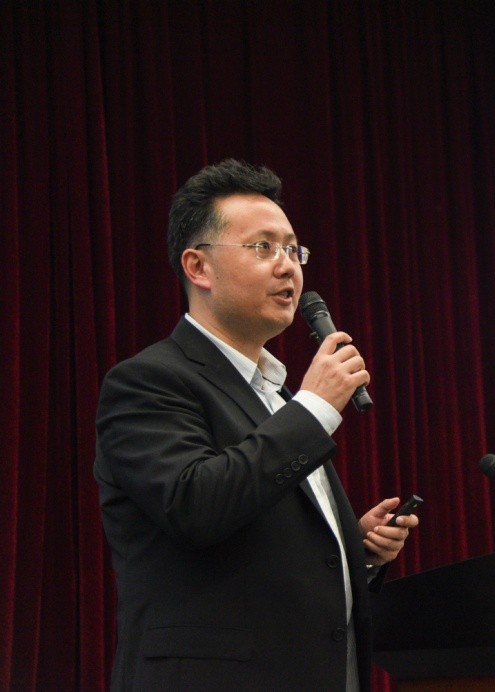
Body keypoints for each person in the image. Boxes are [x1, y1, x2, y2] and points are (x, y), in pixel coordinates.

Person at [94, 159, 417, 691]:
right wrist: (315, 407)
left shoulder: (275, 394)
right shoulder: (148, 381)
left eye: (293, 250)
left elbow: (260, 532)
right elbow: (194, 505)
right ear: (198, 267)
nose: (288, 267)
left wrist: (351, 550)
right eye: (264, 247)